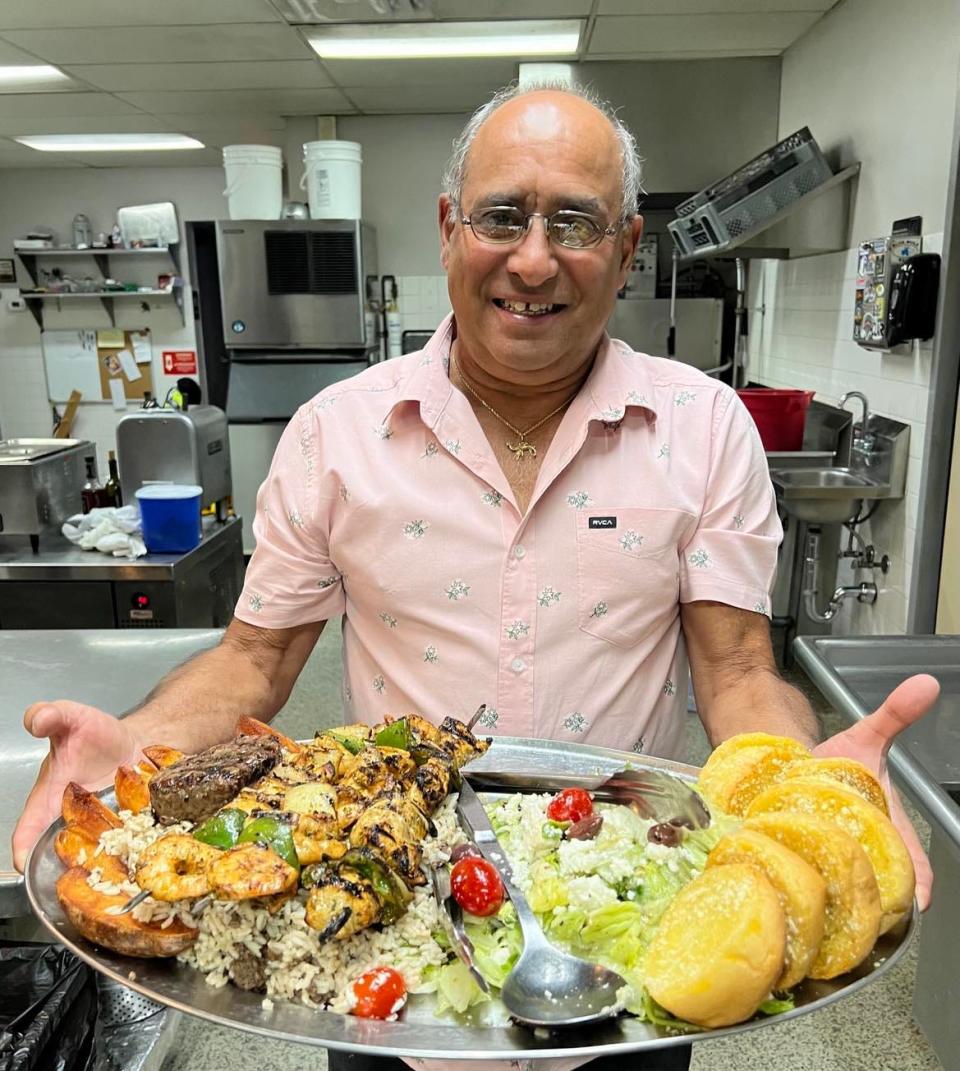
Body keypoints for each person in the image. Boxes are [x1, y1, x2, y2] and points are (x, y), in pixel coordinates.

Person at [13, 83, 937, 1071]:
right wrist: (141, 742)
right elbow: (252, 662)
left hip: (620, 925)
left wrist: (815, 796)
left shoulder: (706, 430)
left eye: (574, 222)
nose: (533, 259)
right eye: (503, 215)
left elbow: (740, 671)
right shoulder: (336, 436)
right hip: (388, 933)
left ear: (625, 251)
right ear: (451, 229)